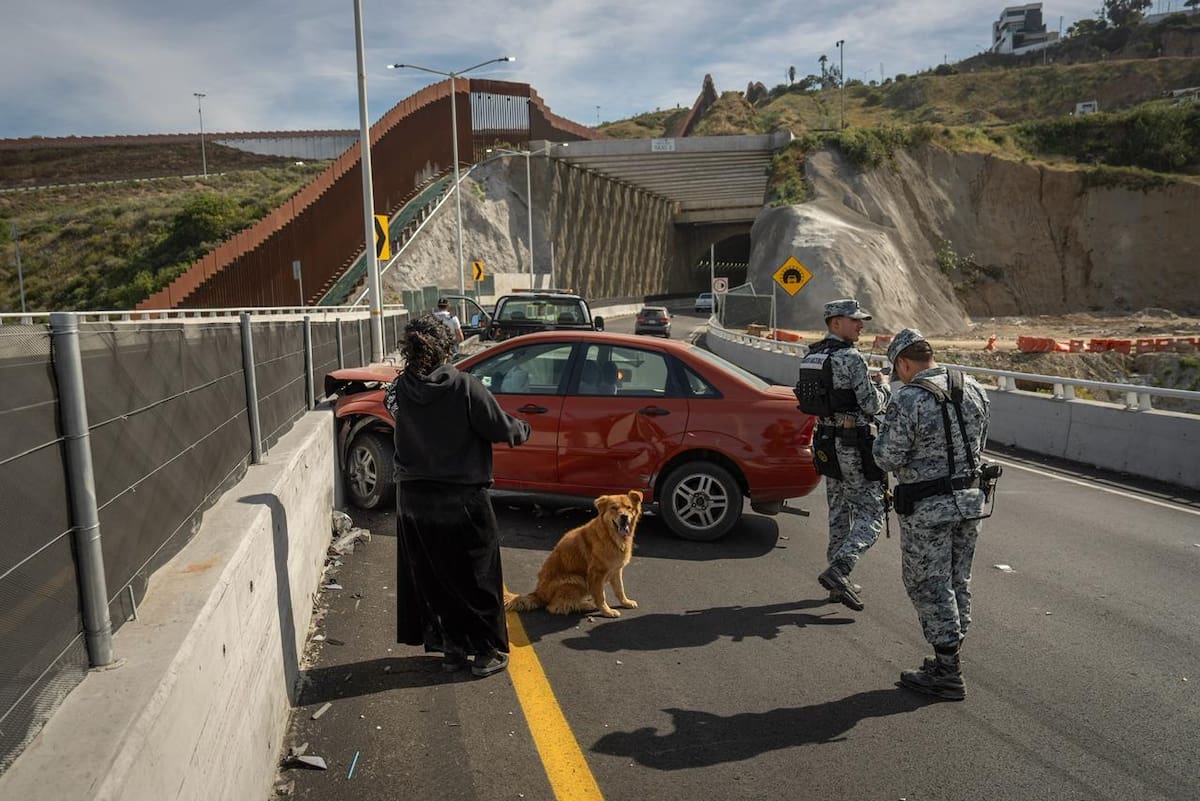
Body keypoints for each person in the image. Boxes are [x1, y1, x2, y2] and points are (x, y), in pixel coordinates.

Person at [383, 314, 531, 678]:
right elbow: (501, 428)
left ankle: (451, 650)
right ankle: (485, 653)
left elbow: (393, 411)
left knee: (435, 576)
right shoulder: (465, 387)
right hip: (462, 499)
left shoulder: (398, 390)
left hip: (415, 500)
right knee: (477, 576)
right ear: (447, 348)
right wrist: (522, 428)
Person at [873, 328, 992, 701]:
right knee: (958, 579)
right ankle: (949, 655)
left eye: (898, 371)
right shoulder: (973, 387)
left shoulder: (908, 399)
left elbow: (887, 457)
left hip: (927, 508)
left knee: (927, 583)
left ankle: (947, 672)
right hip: (970, 503)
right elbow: (979, 444)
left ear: (904, 364)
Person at [794, 298, 890, 611]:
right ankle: (841, 569)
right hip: (852, 445)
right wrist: (884, 386)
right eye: (855, 320)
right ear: (836, 322)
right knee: (871, 512)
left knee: (838, 511)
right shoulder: (851, 357)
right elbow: (872, 405)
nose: (861, 325)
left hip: (825, 443)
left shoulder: (812, 355)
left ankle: (838, 584)